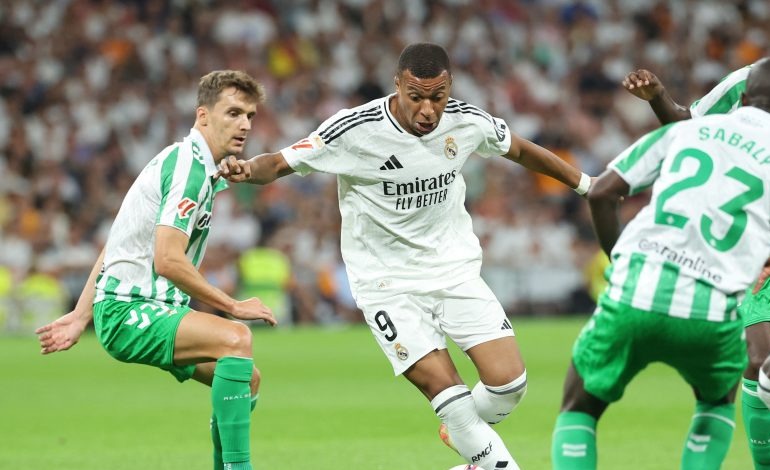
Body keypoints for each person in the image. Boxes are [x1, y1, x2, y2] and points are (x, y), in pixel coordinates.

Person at [217, 42, 592, 470]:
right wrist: (247, 169)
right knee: (448, 393)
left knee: (510, 384)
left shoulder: (467, 121)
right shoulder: (355, 130)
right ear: (397, 86)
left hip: (454, 271)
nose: (429, 109)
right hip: (386, 284)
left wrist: (585, 183)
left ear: (450, 87)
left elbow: (521, 150)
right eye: (417, 96)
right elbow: (281, 162)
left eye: (438, 96)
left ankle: (465, 439)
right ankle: (484, 451)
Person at [35, 70, 277, 470]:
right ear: (203, 115)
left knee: (247, 379)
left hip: (146, 309)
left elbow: (118, 243)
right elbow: (167, 260)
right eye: (233, 113)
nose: (245, 124)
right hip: (131, 311)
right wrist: (232, 305)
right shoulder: (189, 170)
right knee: (236, 337)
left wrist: (80, 316)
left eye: (250, 115)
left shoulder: (191, 165)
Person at [552, 58, 770, 470]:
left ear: (741, 98)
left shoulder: (690, 132)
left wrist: (620, 264)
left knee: (580, 405)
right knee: (716, 403)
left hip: (637, 287)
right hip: (712, 308)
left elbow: (601, 193)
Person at [623, 57, 770, 469]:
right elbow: (690, 127)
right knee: (759, 362)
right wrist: (659, 98)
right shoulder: (748, 81)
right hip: (755, 241)